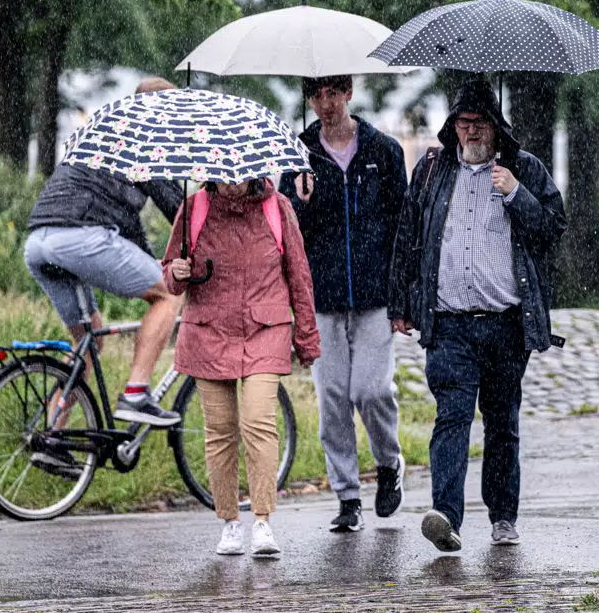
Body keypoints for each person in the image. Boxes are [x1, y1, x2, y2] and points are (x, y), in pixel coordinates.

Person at [387, 79, 566, 552]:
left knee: (502, 424)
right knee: (452, 416)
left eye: (480, 123)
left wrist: (516, 193)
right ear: (453, 127)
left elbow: (552, 229)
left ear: (496, 127)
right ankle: (446, 514)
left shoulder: (523, 168)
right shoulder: (432, 170)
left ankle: (503, 516)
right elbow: (408, 235)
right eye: (464, 123)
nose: (471, 131)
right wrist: (399, 304)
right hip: (448, 323)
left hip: (506, 324)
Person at [23, 78, 185, 446]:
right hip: (81, 236)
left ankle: (51, 438)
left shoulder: (101, 133)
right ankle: (136, 394)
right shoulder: (147, 141)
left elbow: (125, 218)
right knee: (168, 294)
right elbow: (180, 211)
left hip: (39, 240)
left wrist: (150, 258)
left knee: (90, 341)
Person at [164, 178, 320, 558]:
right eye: (224, 178)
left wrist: (306, 337)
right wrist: (177, 272)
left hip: (264, 328)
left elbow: (299, 275)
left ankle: (262, 521)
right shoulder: (194, 208)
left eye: (238, 178)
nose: (231, 185)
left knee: (258, 422)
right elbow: (170, 275)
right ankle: (230, 522)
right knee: (220, 431)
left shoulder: (277, 207)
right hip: (209, 330)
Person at [279, 74, 408, 534]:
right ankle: (347, 496)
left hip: (374, 296)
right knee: (333, 398)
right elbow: (285, 232)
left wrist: (402, 296)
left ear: (348, 93)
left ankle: (389, 463)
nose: (325, 103)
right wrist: (301, 202)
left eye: (333, 93)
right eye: (316, 95)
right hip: (322, 296)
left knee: (371, 391)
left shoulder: (383, 151)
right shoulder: (297, 154)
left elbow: (402, 227)